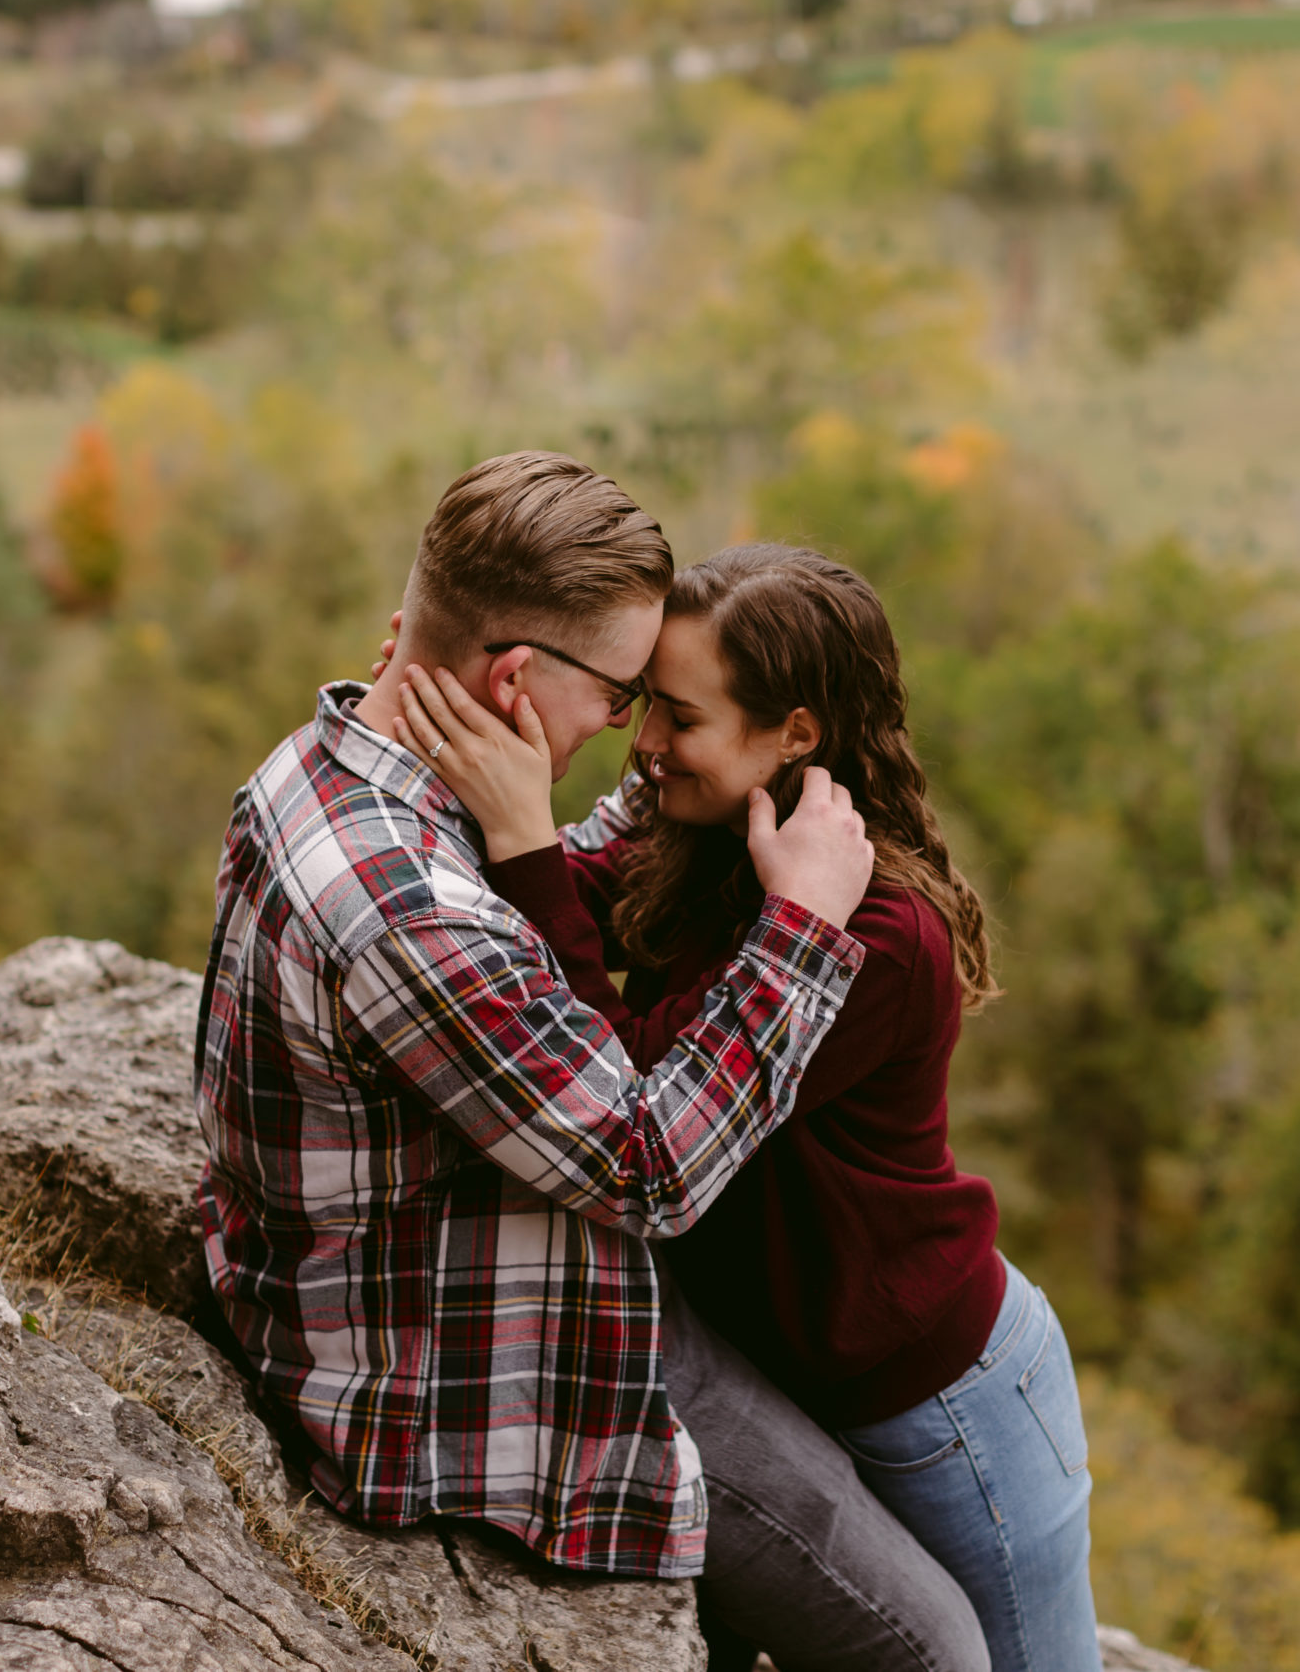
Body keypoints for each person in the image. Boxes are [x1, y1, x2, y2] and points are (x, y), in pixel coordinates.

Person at [194, 452, 992, 1672]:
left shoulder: (324, 767)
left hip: (427, 1272)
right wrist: (798, 934)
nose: (627, 737)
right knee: (934, 1649)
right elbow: (648, 1168)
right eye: (624, 697)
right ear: (513, 678)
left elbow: (550, 907)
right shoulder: (411, 912)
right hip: (454, 1351)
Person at [390, 541, 1105, 1672]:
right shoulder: (697, 830)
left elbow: (624, 1085)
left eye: (679, 716)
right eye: (643, 708)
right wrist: (489, 737)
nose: (646, 742)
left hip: (945, 1410)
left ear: (797, 734)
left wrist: (526, 834)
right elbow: (558, 911)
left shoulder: (878, 938)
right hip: (792, 1377)